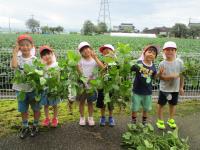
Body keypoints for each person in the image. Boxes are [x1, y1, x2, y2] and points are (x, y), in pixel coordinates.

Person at [11, 34, 40, 139]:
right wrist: (15, 52)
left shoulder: (34, 59)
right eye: (22, 45)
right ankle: (25, 126)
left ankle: (36, 125)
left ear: (32, 46)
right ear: (19, 47)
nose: (25, 47)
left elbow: (39, 73)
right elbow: (14, 66)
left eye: (27, 45)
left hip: (33, 89)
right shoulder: (17, 58)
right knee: (23, 109)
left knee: (36, 108)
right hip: (20, 89)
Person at [156, 41, 184, 129]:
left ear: (175, 51)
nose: (170, 52)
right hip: (164, 89)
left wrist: (181, 87)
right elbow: (160, 77)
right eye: (167, 50)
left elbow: (182, 75)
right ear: (164, 51)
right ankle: (160, 120)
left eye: (172, 50)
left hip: (175, 89)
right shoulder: (162, 63)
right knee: (161, 104)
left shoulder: (179, 62)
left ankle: (171, 120)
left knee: (173, 104)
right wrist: (170, 77)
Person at [77, 42, 105, 126]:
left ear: (91, 49)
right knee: (81, 102)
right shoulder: (80, 60)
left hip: (92, 85)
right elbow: (79, 72)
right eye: (83, 50)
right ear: (80, 52)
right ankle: (82, 117)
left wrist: (96, 58)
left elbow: (102, 68)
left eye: (87, 48)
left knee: (90, 102)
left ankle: (90, 117)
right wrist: (85, 79)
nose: (86, 50)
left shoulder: (94, 60)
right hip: (82, 85)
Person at [131, 45, 160, 125]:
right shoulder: (139, 63)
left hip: (148, 91)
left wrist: (159, 74)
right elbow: (131, 68)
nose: (151, 54)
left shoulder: (153, 66)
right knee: (135, 108)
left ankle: (144, 121)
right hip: (137, 90)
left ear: (155, 57)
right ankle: (133, 121)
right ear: (144, 53)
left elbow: (154, 77)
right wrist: (133, 62)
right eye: (149, 52)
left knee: (146, 108)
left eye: (154, 53)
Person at [39, 45, 60, 128]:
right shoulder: (42, 66)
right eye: (44, 55)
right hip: (45, 89)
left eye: (48, 53)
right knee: (46, 105)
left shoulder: (56, 65)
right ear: (41, 57)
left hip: (54, 89)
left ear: (52, 54)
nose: (46, 56)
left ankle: (55, 118)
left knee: (55, 105)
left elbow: (58, 76)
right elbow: (41, 76)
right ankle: (47, 118)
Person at [96, 44, 116, 126]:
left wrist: (95, 58)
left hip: (111, 86)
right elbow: (101, 70)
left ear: (112, 51)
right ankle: (103, 117)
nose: (106, 51)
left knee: (110, 103)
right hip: (102, 86)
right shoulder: (102, 61)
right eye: (104, 50)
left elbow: (105, 68)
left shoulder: (115, 61)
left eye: (108, 49)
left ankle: (111, 117)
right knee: (102, 103)